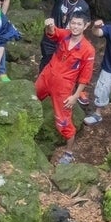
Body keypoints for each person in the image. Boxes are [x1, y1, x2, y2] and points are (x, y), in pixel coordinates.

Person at [35, 12, 95, 164]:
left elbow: (85, 77)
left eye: (79, 24)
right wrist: (49, 26)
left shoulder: (88, 50)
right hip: (47, 76)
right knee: (31, 99)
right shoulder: (65, 34)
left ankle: (69, 153)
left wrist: (75, 96)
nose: (75, 27)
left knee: (63, 122)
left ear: (85, 26)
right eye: (73, 23)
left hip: (64, 86)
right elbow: (53, 33)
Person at [40, 0, 90, 72]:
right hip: (51, 34)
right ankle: (42, 79)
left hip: (67, 39)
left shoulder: (84, 6)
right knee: (46, 61)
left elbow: (87, 22)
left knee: (61, 64)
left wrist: (76, 31)